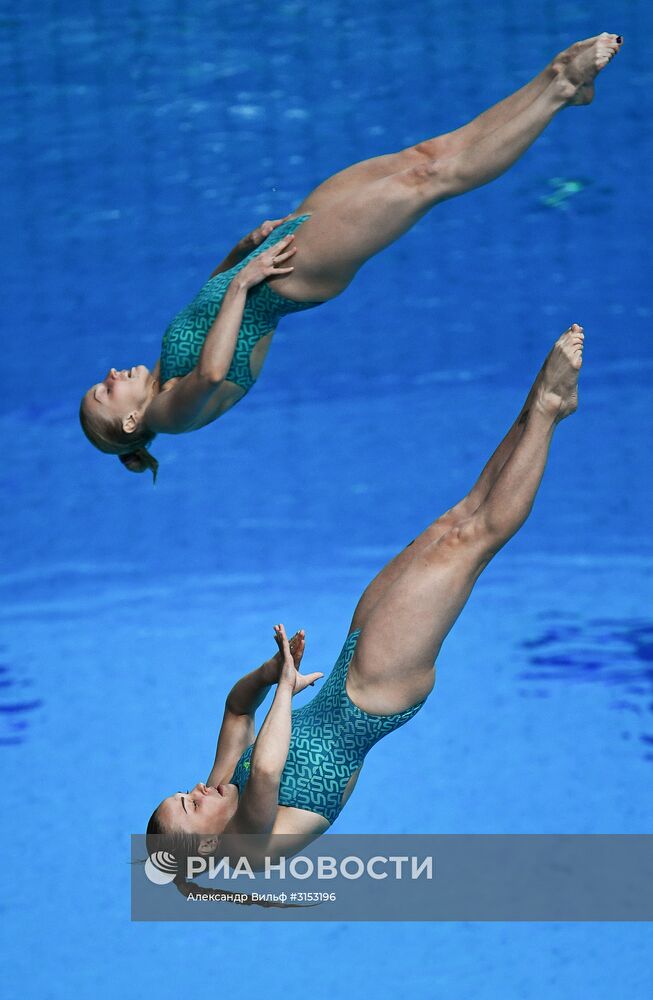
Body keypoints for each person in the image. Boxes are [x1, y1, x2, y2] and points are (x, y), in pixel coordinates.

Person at [147, 324, 585, 885]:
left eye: (181, 792)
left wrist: (266, 674)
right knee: (471, 542)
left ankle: (542, 406)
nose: (195, 790)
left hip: (352, 671)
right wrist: (284, 687)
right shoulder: (245, 846)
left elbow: (236, 710)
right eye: (188, 805)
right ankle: (548, 407)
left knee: (458, 520)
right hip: (373, 694)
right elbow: (271, 769)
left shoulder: (221, 786)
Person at [81, 35, 620, 479]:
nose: (109, 374)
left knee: (424, 157)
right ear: (130, 423)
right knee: (430, 182)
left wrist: (241, 251)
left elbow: (208, 301)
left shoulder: (157, 375)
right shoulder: (170, 417)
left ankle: (560, 85)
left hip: (276, 253)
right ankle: (561, 86)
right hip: (296, 272)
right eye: (106, 392)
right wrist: (246, 281)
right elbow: (215, 371)